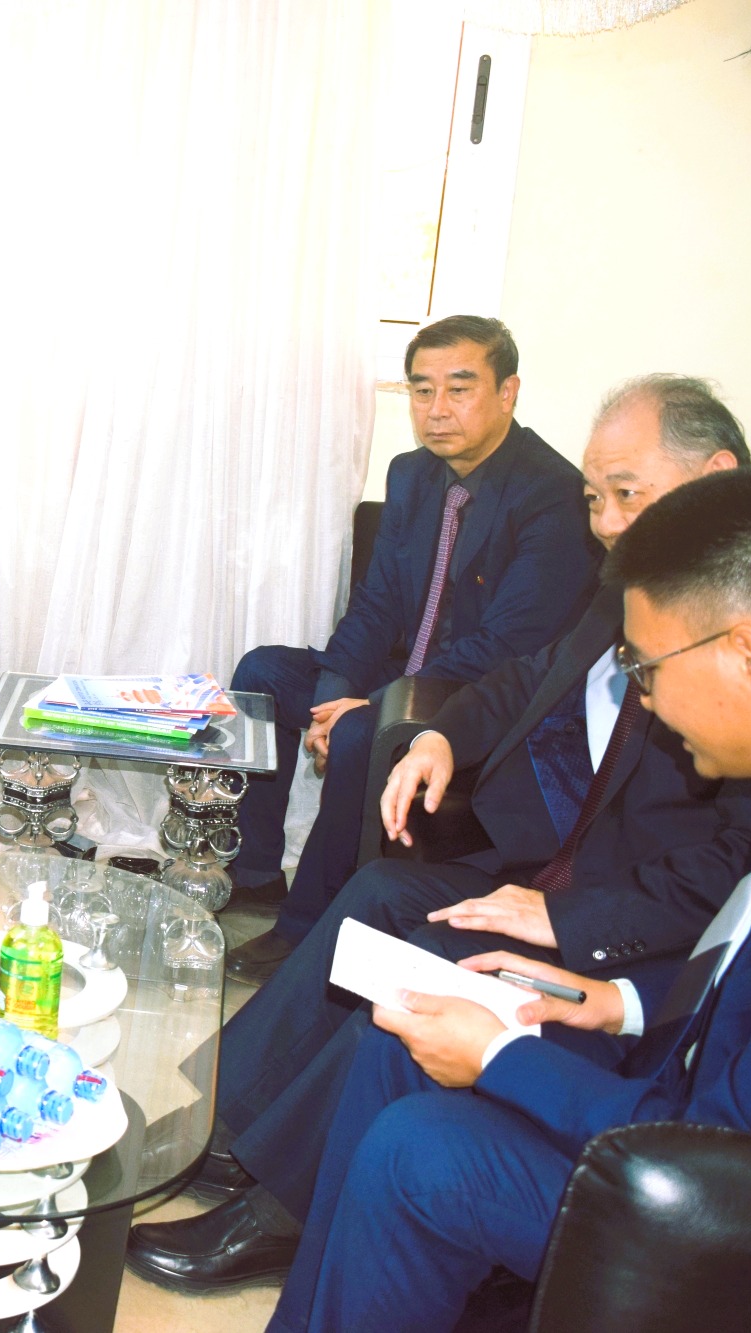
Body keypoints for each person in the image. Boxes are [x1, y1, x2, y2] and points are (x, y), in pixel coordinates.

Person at [127, 375, 751, 1292]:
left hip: (626, 929)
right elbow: (531, 674)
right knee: (380, 894)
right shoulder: (631, 581)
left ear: (717, 474)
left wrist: (568, 921)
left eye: (629, 493)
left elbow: (744, 861)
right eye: (595, 498)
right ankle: (228, 1135)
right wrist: (441, 734)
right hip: (553, 870)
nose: (608, 523)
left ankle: (282, 1215)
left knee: (422, 969)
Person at [265, 464, 751, 1332]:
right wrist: (619, 1002)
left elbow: (720, 1162)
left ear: (748, 656)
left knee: (419, 1149)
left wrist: (499, 1057)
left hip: (716, 1219)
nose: (641, 695)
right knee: (409, 1027)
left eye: (646, 667)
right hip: (672, 1072)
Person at [227, 316, 599, 983]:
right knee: (264, 673)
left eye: (460, 388)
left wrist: (368, 706)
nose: (437, 409)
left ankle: (307, 929)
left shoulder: (553, 496)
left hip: (484, 701)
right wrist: (330, 698)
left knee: (362, 730)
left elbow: (505, 645)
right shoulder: (411, 475)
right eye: (422, 390)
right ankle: (256, 873)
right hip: (409, 671)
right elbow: (374, 605)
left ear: (507, 392)